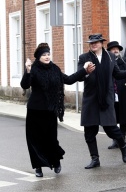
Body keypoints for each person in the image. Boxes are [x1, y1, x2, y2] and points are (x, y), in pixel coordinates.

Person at [20, 43, 95, 177]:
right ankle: (38, 167)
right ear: (38, 57)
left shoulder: (55, 69)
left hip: (50, 110)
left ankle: (56, 162)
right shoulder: (34, 68)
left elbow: (69, 80)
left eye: (48, 54)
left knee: (51, 139)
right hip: (35, 111)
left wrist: (84, 70)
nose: (47, 56)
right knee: (35, 140)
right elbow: (24, 84)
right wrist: (28, 70)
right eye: (44, 55)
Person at [78, 34, 126, 169]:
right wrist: (85, 71)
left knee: (111, 129)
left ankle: (123, 145)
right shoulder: (84, 58)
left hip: (106, 98)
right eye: (91, 43)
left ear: (102, 43)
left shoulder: (111, 57)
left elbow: (118, 74)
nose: (93, 45)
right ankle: (95, 159)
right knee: (89, 131)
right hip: (91, 99)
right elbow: (80, 76)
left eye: (96, 42)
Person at [106, 41, 126, 149]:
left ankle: (123, 139)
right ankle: (115, 140)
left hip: (124, 93)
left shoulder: (125, 62)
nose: (115, 51)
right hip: (111, 94)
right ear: (109, 51)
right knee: (113, 118)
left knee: (124, 119)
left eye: (117, 49)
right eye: (113, 49)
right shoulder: (106, 62)